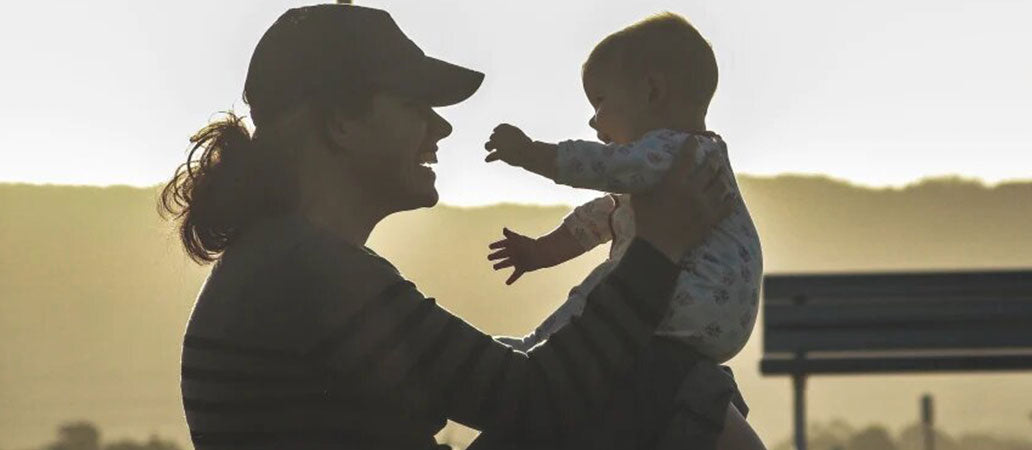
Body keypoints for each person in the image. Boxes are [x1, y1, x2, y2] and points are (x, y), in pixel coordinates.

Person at [160, 4, 762, 449]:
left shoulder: (281, 264)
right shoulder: (305, 274)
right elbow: (533, 399)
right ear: (340, 122)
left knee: (664, 377)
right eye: (415, 105)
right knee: (664, 378)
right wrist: (661, 246)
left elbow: (514, 393)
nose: (440, 129)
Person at [480, 14, 760, 447]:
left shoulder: (675, 150)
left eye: (600, 103)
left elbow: (606, 168)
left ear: (652, 91)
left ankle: (535, 353)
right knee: (617, 288)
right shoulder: (681, 167)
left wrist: (531, 154)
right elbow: (602, 217)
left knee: (602, 293)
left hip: (691, 300)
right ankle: (536, 349)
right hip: (714, 320)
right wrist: (539, 252)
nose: (594, 123)